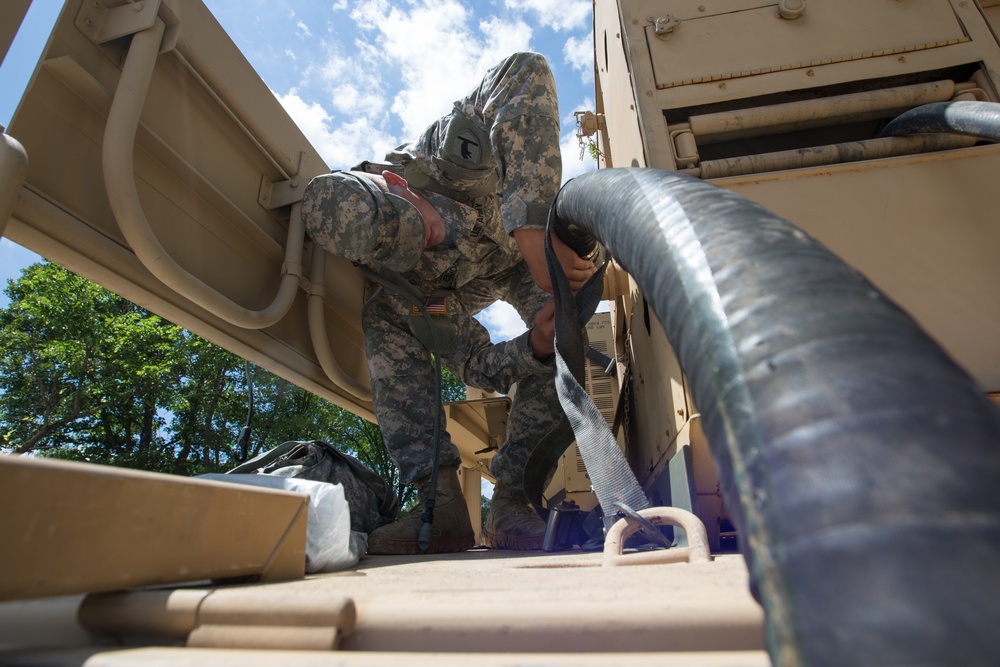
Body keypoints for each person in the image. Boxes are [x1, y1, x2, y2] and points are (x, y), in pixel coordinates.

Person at [301, 52, 596, 555]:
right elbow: (478, 365)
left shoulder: (444, 154)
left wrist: (531, 225)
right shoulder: (408, 287)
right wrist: (534, 347)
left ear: (397, 184)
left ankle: (512, 503)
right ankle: (438, 508)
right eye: (418, 248)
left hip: (525, 256)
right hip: (482, 284)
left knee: (575, 333)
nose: (434, 243)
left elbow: (525, 69)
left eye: (425, 225)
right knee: (383, 318)